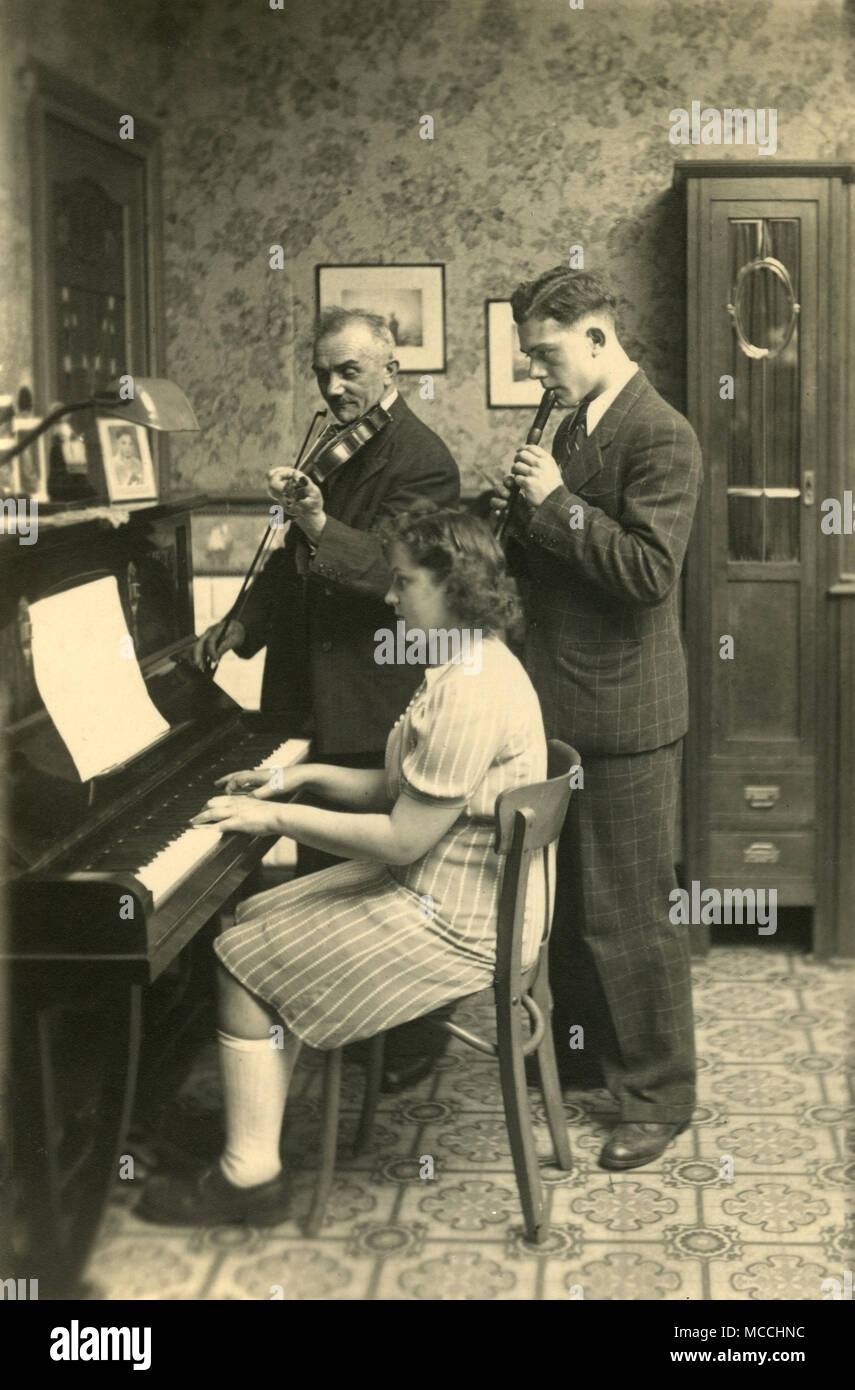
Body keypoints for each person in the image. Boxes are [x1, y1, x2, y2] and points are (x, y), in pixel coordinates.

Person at [139, 509, 548, 1225]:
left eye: (402, 584)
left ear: (453, 588)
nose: (388, 600)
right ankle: (253, 1121)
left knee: (239, 958)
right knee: (257, 917)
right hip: (454, 887)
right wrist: (300, 779)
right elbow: (405, 790)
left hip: (457, 918)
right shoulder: (462, 661)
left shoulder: (471, 689)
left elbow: (399, 839)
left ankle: (249, 1176)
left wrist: (274, 819)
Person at [193, 307, 460, 1090]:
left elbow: (391, 574)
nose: (332, 386)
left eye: (348, 371)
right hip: (308, 683)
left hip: (368, 685)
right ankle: (326, 1021)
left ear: (391, 373)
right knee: (319, 869)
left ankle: (406, 1044)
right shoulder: (334, 447)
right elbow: (290, 559)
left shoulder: (423, 461)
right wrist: (242, 623)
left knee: (369, 876)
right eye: (322, 372)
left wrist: (315, 516)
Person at [493, 266, 702, 1171]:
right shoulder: (577, 421)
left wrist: (554, 505)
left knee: (628, 916)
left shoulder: (660, 432)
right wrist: (515, 517)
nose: (538, 370)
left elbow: (648, 574)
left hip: (623, 713)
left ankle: (658, 1095)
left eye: (544, 353)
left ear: (593, 335)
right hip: (563, 702)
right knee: (573, 907)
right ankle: (589, 1061)